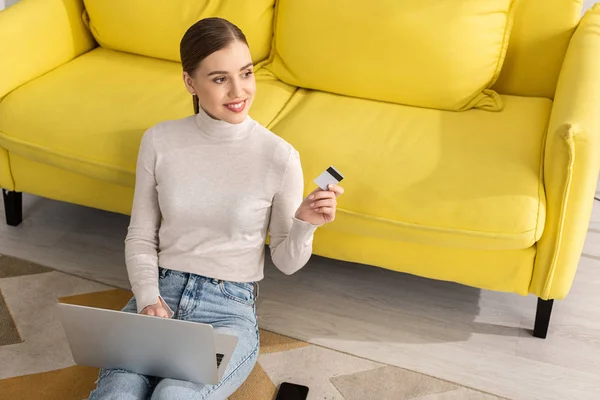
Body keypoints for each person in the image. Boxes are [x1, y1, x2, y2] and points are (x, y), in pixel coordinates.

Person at [88, 17, 344, 400]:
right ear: (190, 82)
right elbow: (141, 236)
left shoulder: (279, 157)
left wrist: (304, 223)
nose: (239, 91)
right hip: (160, 294)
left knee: (173, 396)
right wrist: (147, 299)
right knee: (116, 395)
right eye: (220, 78)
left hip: (228, 310)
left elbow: (286, 262)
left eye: (246, 73)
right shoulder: (160, 141)